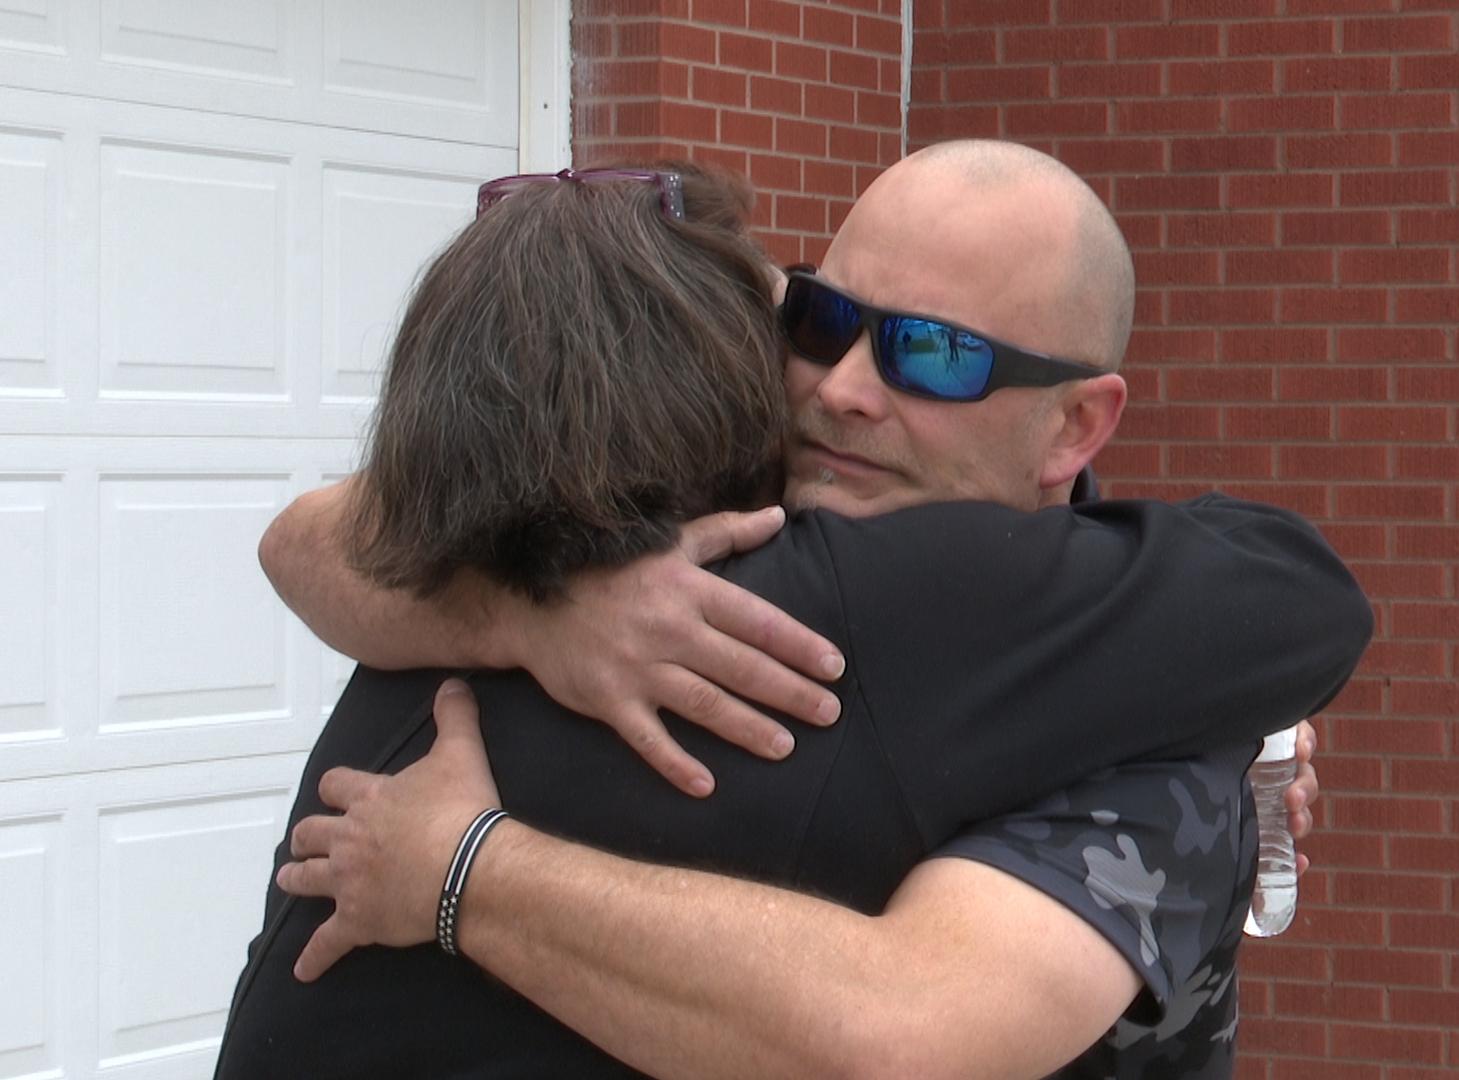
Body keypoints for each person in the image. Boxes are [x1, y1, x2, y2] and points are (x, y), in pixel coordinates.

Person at [241, 141, 1367, 1079]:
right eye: (823, 317)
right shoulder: (707, 512)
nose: (841, 387)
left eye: (934, 353)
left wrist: (464, 870)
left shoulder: (1146, 698)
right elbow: (307, 535)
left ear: (1075, 428)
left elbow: (910, 1031)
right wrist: (540, 611)